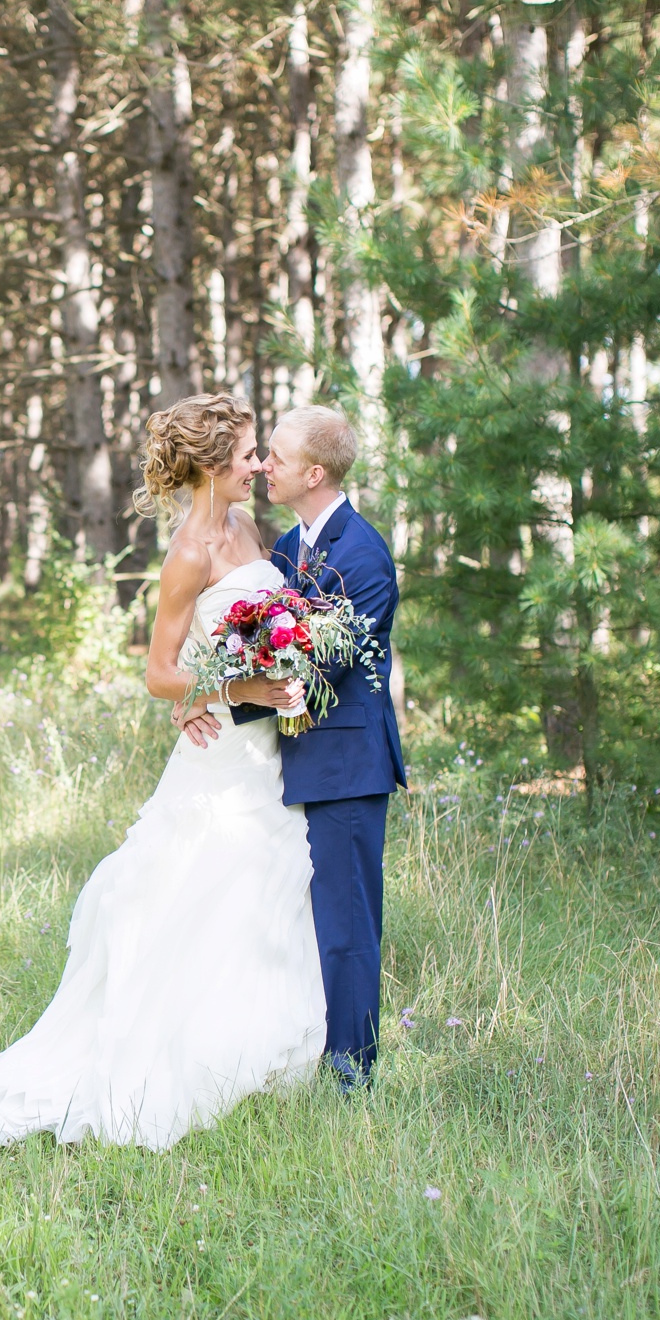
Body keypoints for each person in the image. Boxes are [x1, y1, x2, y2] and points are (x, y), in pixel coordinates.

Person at [0, 393, 328, 1151]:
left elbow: (252, 633)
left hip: (271, 751)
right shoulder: (188, 555)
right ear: (213, 462)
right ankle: (180, 1059)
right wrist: (238, 690)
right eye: (247, 454)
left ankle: (263, 1055)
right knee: (204, 894)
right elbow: (159, 673)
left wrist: (280, 668)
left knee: (266, 893)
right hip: (222, 759)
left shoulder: (248, 527)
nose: (260, 466)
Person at [182, 405, 407, 1089]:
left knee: (345, 924)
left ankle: (352, 1071)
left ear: (313, 472)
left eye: (274, 456)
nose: (263, 466)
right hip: (287, 759)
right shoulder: (288, 546)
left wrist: (223, 686)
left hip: (344, 766)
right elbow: (251, 628)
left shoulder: (364, 556)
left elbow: (316, 664)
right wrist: (197, 689)